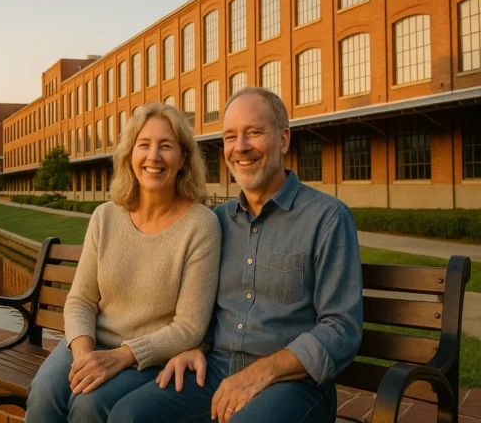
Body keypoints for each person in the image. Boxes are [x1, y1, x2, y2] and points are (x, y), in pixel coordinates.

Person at [108, 87, 364, 422]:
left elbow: (341, 328)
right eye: (230, 136)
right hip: (214, 372)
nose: (240, 147)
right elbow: (202, 310)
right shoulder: (216, 222)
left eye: (254, 133)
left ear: (284, 140)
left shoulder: (327, 218)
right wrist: (195, 348)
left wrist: (263, 371)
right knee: (128, 415)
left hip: (294, 385)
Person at [25, 102, 222, 423]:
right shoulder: (106, 216)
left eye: (166, 146)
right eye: (143, 145)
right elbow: (80, 300)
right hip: (89, 342)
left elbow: (190, 327)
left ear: (183, 158)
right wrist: (85, 357)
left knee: (88, 405)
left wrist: (122, 356)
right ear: (130, 155)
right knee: (45, 394)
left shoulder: (201, 225)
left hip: (149, 356)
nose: (153, 156)